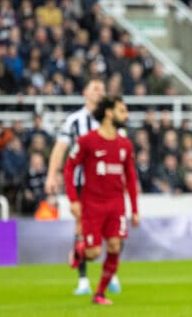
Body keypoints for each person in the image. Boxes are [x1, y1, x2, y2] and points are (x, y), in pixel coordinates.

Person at [44, 77, 121, 295]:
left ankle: (110, 274)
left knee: (110, 230)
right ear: (85, 93)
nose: (100, 92)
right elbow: (60, 149)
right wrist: (52, 174)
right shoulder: (74, 121)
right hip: (83, 184)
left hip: (108, 185)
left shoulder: (111, 118)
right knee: (82, 228)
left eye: (103, 89)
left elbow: (121, 150)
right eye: (95, 88)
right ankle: (83, 280)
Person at [63, 95, 139, 305]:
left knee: (115, 247)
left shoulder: (125, 144)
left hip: (116, 205)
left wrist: (134, 209)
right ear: (109, 113)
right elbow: (69, 168)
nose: (127, 115)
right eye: (122, 110)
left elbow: (131, 178)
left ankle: (99, 294)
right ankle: (79, 252)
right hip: (92, 204)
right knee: (93, 253)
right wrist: (73, 199)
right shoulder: (86, 141)